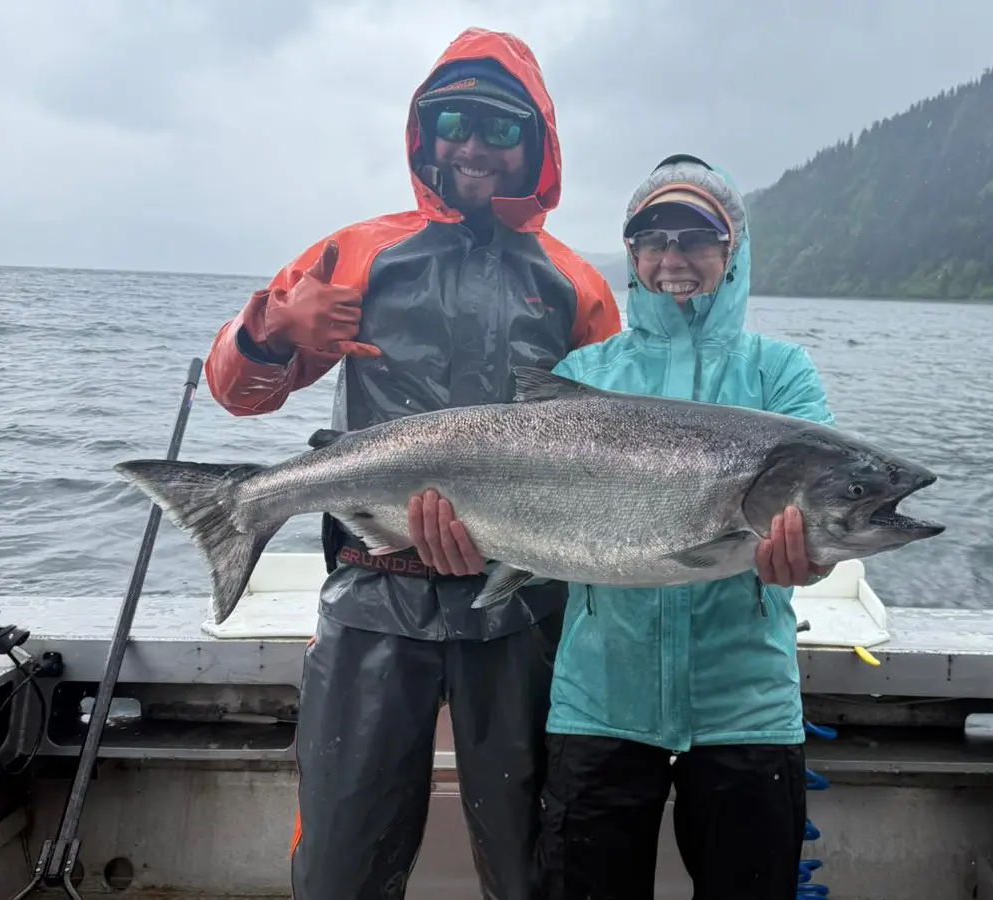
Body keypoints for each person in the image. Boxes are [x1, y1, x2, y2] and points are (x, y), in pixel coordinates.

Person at [201, 28, 621, 900]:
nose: (473, 146)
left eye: (501, 129)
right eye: (455, 122)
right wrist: (270, 332)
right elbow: (236, 392)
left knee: (534, 862)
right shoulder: (355, 253)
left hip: (521, 605)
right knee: (339, 867)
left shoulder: (576, 285)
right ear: (424, 132)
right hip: (370, 593)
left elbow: (618, 449)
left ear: (535, 146)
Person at [410, 153, 836, 900]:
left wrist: (813, 559)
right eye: (652, 238)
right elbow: (520, 508)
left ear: (731, 251)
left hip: (748, 705)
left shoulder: (781, 374)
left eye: (695, 237)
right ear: (633, 255)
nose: (673, 258)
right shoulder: (589, 375)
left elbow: (824, 509)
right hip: (601, 698)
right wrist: (469, 536)